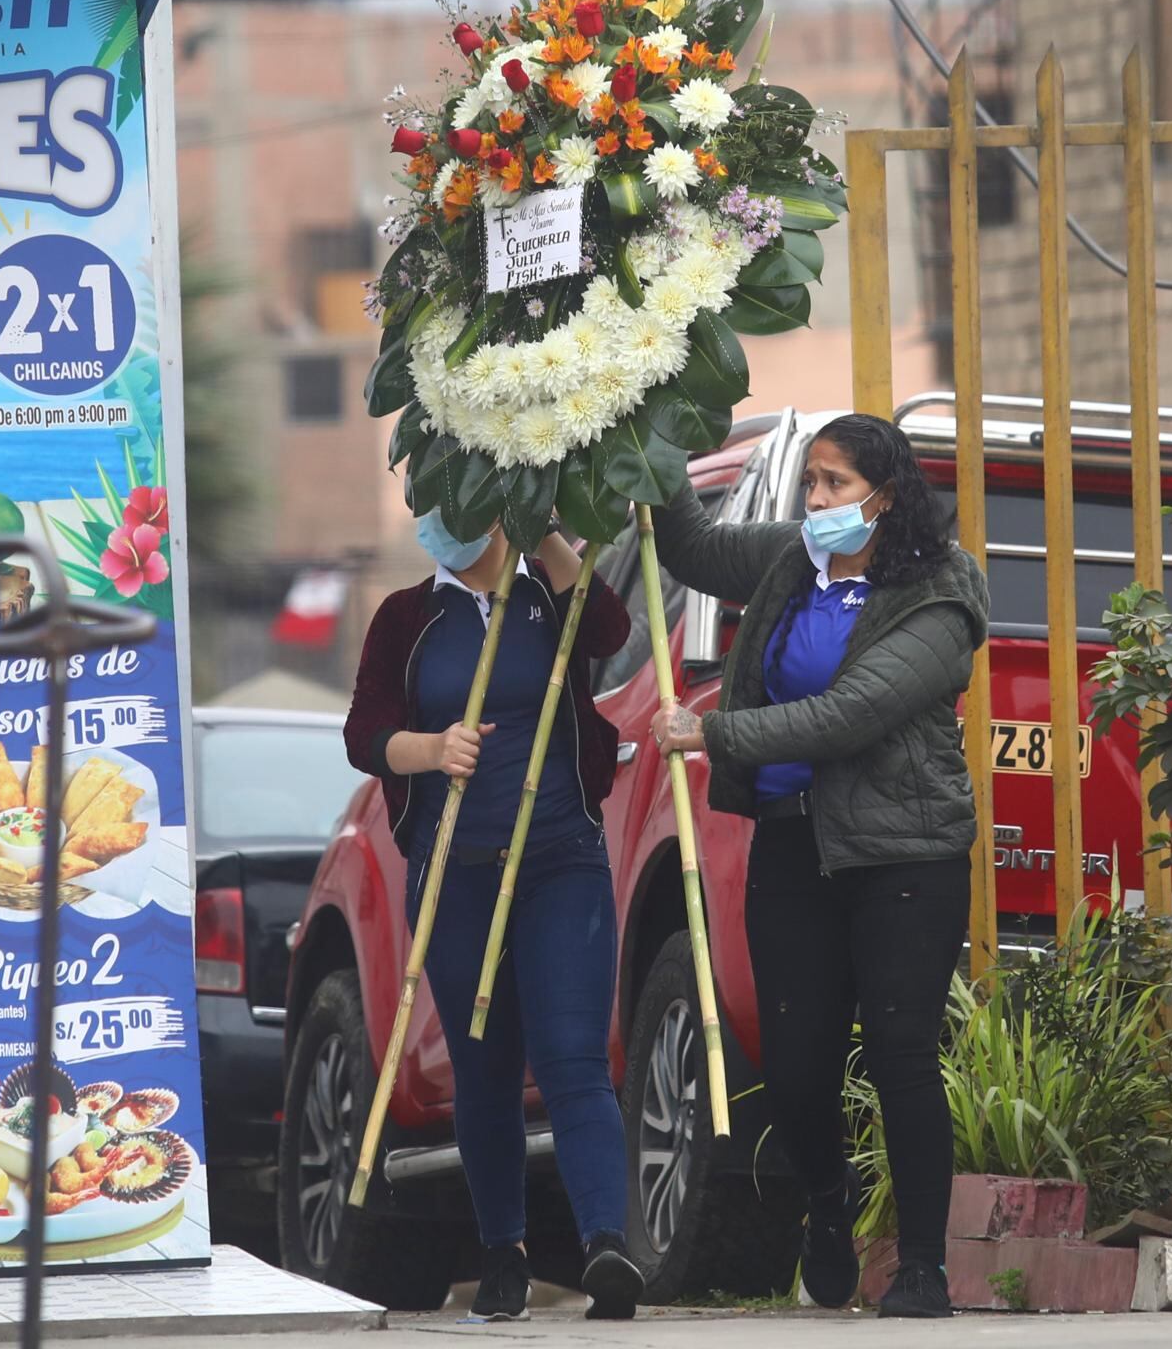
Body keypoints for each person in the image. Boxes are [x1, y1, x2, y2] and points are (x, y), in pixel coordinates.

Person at [649, 413, 988, 1321]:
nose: (816, 500)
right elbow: (690, 547)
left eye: (835, 484)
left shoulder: (941, 591)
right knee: (796, 1070)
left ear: (886, 495)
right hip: (793, 844)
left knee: (901, 1057)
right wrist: (645, 430)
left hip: (905, 853)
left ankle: (923, 1269)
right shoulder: (793, 559)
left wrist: (714, 730)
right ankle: (829, 1213)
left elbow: (852, 713)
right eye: (810, 482)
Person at [344, 507, 643, 1323]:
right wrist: (432, 749)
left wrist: (543, 530)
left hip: (560, 860)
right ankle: (503, 1251)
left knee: (574, 1055)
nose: (447, 522)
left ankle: (606, 1243)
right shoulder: (405, 617)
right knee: (484, 1065)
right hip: (454, 870)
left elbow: (610, 629)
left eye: (468, 505)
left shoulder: (546, 593)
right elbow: (364, 733)